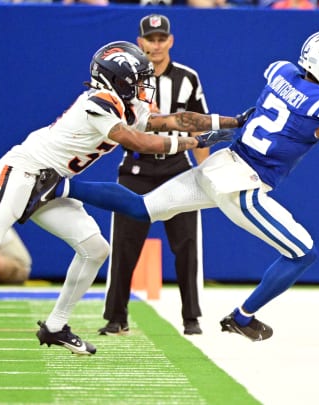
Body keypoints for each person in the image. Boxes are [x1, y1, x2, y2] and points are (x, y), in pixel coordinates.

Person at [0, 40, 248, 353]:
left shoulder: (128, 105)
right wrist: (195, 143)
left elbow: (174, 119)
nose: (143, 89)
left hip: (51, 181)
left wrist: (231, 122)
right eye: (138, 82)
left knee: (95, 248)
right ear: (118, 82)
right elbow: (137, 141)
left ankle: (56, 326)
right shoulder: (98, 102)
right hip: (22, 172)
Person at [63, 30, 319, 341]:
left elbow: (275, 111)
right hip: (242, 185)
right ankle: (242, 317)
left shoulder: (283, 73)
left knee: (141, 207)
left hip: (221, 163)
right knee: (302, 253)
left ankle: (59, 187)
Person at [98, 14, 209, 337]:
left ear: (170, 41)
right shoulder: (125, 77)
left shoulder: (188, 78)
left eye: (162, 39)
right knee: (124, 246)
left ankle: (192, 318)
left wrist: (207, 174)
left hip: (177, 167)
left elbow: (199, 127)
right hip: (137, 168)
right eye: (151, 39)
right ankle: (116, 316)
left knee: (187, 245)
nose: (156, 45)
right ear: (140, 41)